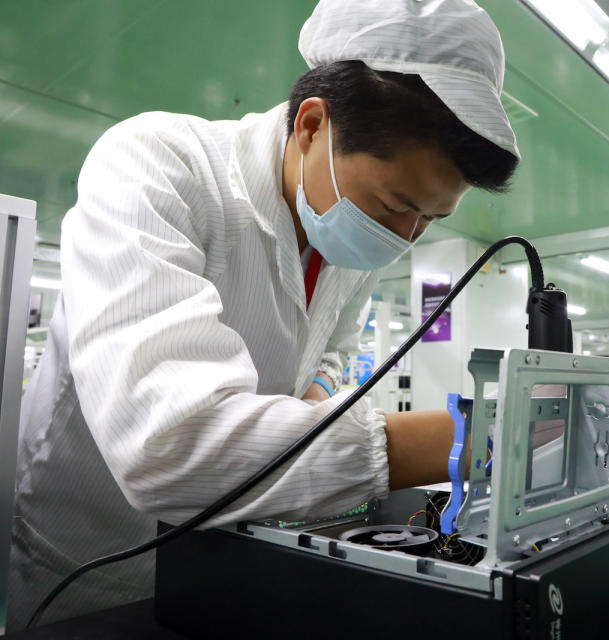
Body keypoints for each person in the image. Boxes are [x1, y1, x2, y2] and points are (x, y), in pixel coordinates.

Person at [10, 0, 520, 628]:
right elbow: (168, 447)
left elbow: (329, 352)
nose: (406, 236)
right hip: (98, 563)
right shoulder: (157, 165)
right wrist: (465, 438)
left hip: (240, 553)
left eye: (431, 220)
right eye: (395, 205)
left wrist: (311, 398)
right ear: (311, 125)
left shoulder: (355, 243)